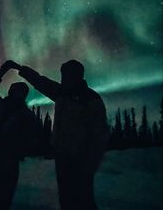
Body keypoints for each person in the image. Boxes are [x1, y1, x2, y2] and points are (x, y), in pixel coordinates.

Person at [7, 59, 109, 210]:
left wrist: (90, 164)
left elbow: (100, 135)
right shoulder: (62, 93)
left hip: (81, 160)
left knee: (84, 200)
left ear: (76, 76)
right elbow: (41, 81)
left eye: (66, 75)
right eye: (62, 75)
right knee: (66, 200)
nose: (63, 78)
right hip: (62, 156)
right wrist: (21, 69)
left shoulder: (90, 99)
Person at [0, 61, 36, 210]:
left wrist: (2, 142)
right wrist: (1, 72)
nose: (17, 95)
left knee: (3, 200)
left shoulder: (26, 116)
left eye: (21, 92)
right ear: (11, 92)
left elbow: (29, 140)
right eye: (16, 91)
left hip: (8, 160)